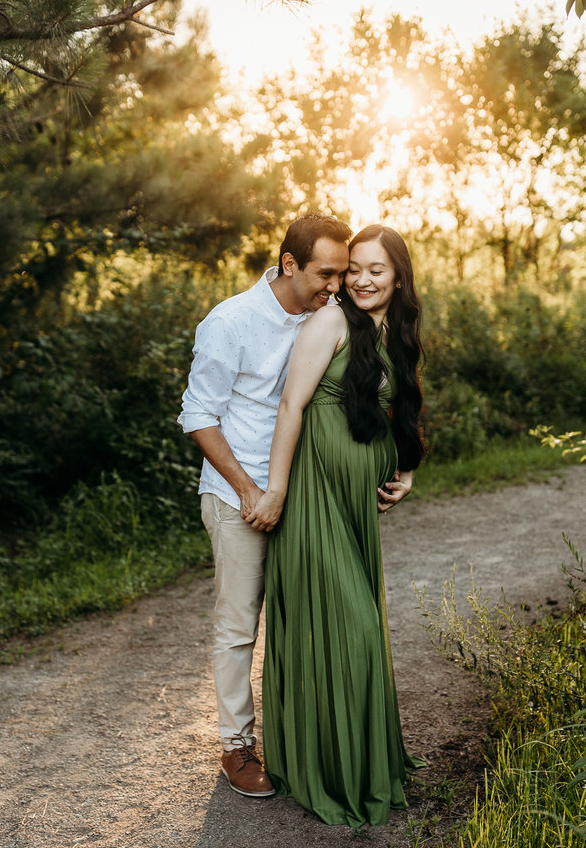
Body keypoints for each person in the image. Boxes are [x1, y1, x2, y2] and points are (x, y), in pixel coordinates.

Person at [245, 224, 426, 827]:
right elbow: (293, 404)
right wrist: (276, 490)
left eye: (376, 270)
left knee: (359, 627)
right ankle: (334, 769)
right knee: (350, 629)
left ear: (398, 276)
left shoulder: (391, 331)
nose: (362, 280)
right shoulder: (331, 323)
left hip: (355, 506)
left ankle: (357, 757)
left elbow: (399, 407)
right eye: (355, 270)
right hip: (316, 498)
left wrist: (405, 470)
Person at [178, 213, 354, 798]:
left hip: (303, 497)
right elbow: (198, 415)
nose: (336, 284)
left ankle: (303, 739)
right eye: (326, 273)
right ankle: (236, 748)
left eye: (342, 273)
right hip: (239, 498)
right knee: (238, 626)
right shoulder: (231, 322)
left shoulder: (327, 318)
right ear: (289, 265)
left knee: (301, 616)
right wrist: (252, 492)